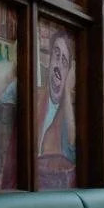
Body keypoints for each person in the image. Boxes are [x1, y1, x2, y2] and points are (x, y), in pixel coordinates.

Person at [36, 30, 76, 188]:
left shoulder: (69, 113)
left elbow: (72, 150)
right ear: (49, 59)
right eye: (56, 55)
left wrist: (67, 92)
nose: (58, 65)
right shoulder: (36, 98)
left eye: (64, 62)